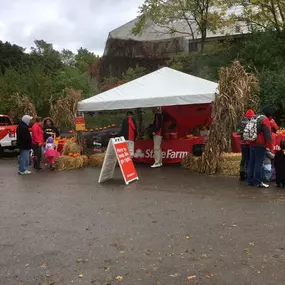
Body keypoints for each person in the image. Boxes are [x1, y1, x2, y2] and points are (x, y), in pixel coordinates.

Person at [246, 106, 273, 188]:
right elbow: (268, 134)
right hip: (260, 144)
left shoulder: (254, 116)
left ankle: (250, 180)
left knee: (252, 162)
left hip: (251, 142)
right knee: (259, 163)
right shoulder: (264, 119)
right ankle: (258, 181)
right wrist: (270, 146)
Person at [238, 109, 255, 181]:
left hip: (242, 143)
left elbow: (238, 131)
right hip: (248, 143)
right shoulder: (250, 122)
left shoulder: (242, 121)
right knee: (248, 159)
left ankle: (241, 174)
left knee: (243, 159)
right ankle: (248, 175)